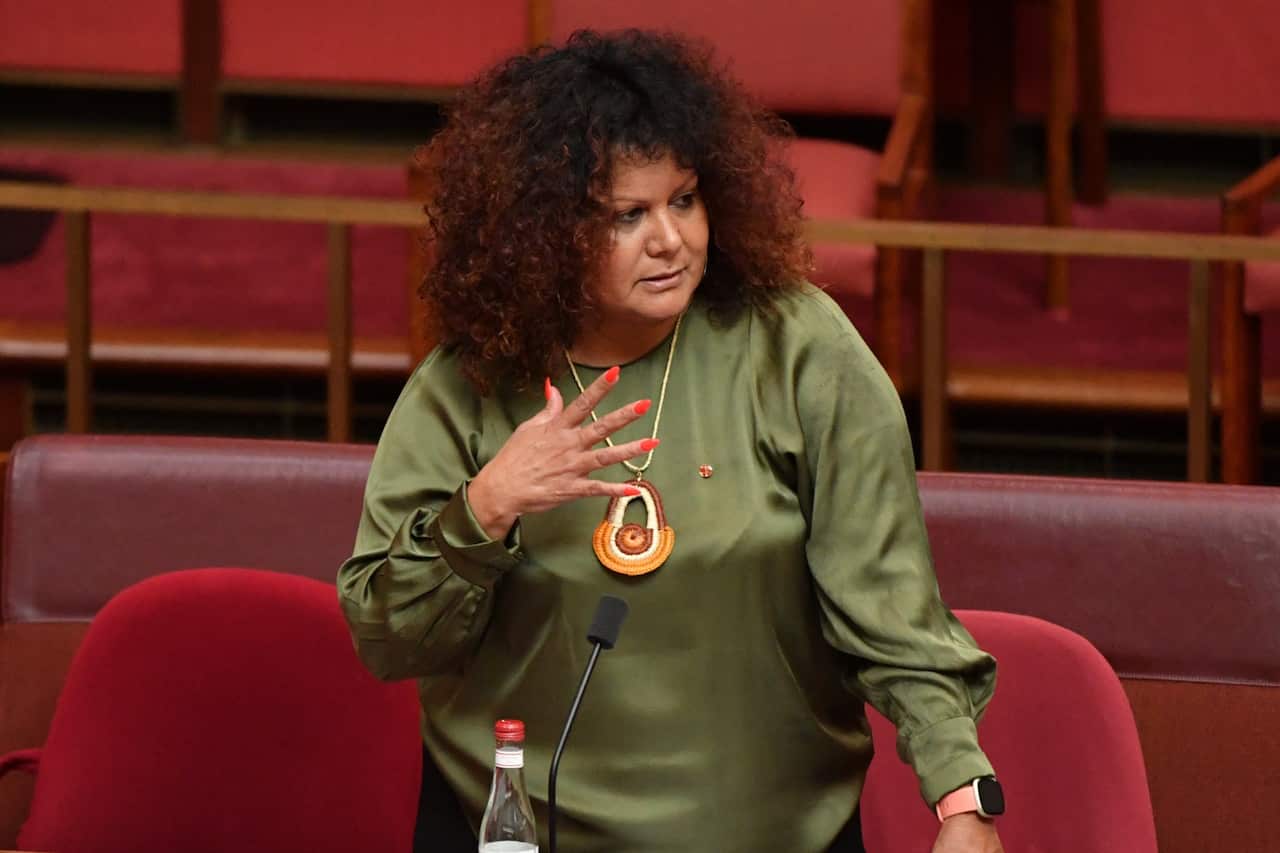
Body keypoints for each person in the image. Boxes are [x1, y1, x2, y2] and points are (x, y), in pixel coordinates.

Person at [338, 29, 1004, 853]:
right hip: (521, 833)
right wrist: (486, 507)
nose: (670, 240)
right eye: (627, 215)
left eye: (683, 200)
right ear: (542, 233)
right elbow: (387, 638)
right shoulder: (467, 386)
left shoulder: (796, 348)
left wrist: (960, 797)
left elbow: (893, 608)